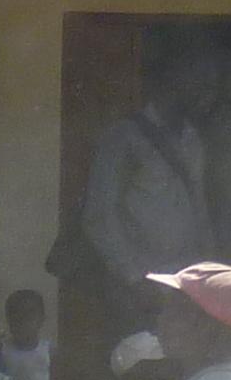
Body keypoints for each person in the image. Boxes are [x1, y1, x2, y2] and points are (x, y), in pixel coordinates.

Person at [79, 58, 213, 333]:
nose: (195, 92)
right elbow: (99, 215)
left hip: (184, 285)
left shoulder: (192, 139)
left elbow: (198, 208)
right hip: (137, 288)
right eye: (187, 82)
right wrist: (135, 278)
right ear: (165, 85)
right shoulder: (124, 138)